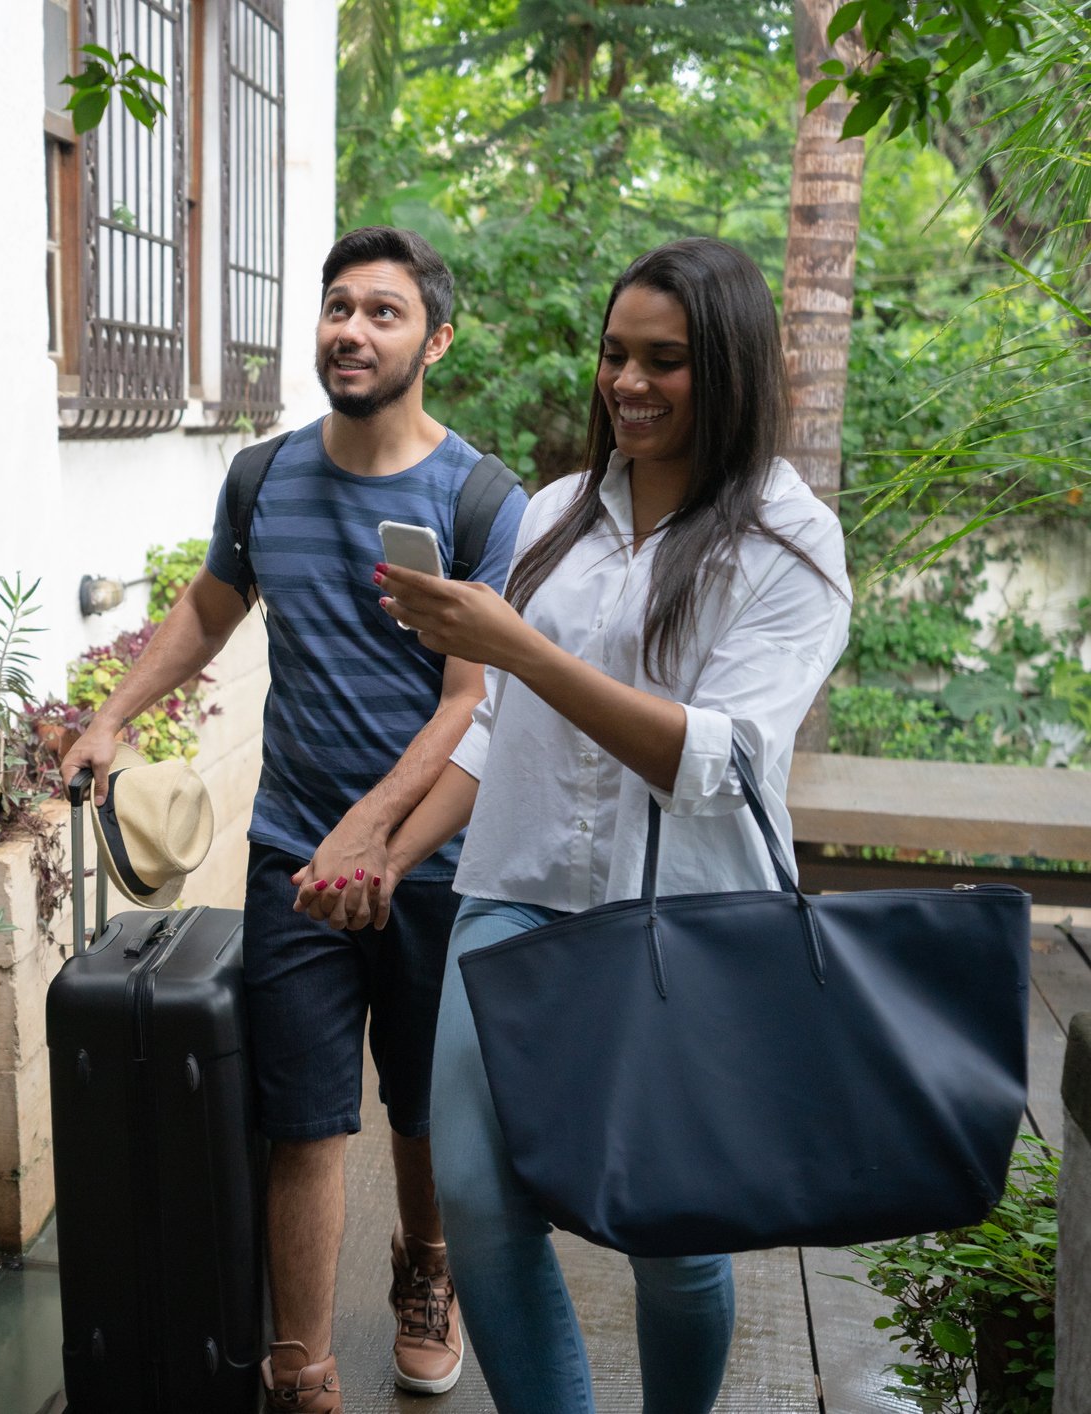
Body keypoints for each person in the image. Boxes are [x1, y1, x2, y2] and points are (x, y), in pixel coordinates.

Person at [357, 237, 852, 1412]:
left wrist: (513, 646)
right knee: (477, 1199)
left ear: (726, 368)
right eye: (614, 354)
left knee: (671, 1232)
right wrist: (388, 846)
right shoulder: (555, 512)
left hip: (682, 917)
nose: (626, 383)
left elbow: (716, 762)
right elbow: (502, 731)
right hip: (512, 888)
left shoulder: (787, 539)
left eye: (664, 361)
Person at [61, 226, 527, 1408]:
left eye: (382, 312)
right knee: (302, 1113)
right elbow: (210, 606)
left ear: (436, 337)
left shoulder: (480, 499)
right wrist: (110, 715)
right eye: (336, 308)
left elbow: (475, 700)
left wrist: (373, 833)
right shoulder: (261, 476)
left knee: (420, 1106)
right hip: (293, 858)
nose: (351, 331)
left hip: (435, 860)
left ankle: (425, 1268)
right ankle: (301, 1370)